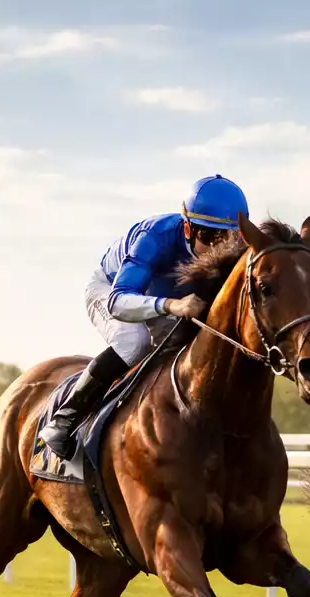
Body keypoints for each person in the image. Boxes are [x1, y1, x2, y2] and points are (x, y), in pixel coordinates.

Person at [40, 174, 249, 458]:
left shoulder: (236, 251)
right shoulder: (155, 237)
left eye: (227, 239)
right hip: (113, 290)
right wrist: (171, 305)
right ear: (187, 228)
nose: (217, 248)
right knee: (134, 342)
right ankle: (65, 419)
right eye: (208, 236)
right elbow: (117, 302)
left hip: (166, 298)